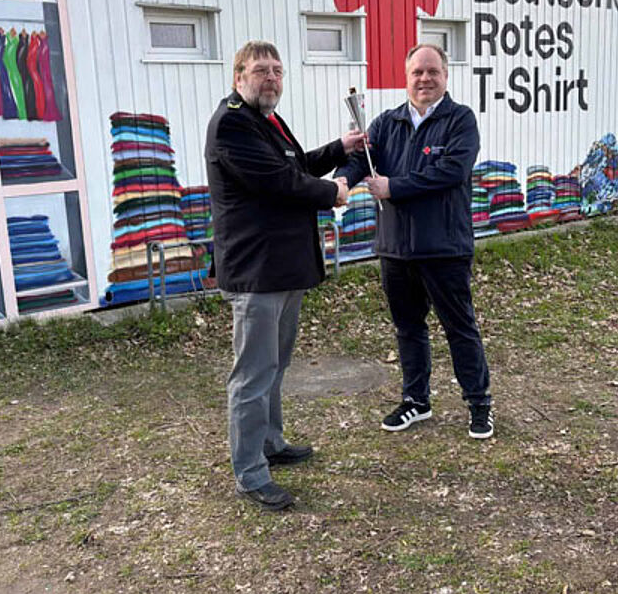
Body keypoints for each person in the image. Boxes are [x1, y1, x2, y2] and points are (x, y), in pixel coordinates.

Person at [206, 41, 363, 510]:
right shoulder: (232, 123)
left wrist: (340, 148)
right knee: (252, 376)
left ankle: (270, 444)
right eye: (261, 70)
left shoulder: (266, 120)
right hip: (257, 272)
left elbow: (295, 164)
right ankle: (250, 472)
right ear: (239, 77)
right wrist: (332, 193)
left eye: (277, 70)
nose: (271, 77)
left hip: (283, 268)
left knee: (275, 367)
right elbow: (279, 182)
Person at [335, 43, 494, 439]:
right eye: (417, 72)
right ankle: (416, 401)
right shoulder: (386, 123)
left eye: (432, 71)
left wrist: (394, 187)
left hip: (444, 247)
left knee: (459, 328)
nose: (424, 79)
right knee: (408, 328)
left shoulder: (460, 120)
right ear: (406, 78)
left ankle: (479, 404)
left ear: (445, 76)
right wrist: (341, 181)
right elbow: (361, 159)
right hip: (396, 248)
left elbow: (451, 171)